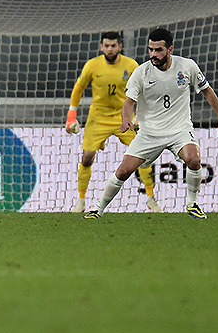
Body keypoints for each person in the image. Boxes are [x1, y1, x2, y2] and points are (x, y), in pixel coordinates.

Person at [84, 28, 218, 219]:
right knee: (124, 171)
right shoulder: (141, 72)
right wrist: (126, 119)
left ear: (170, 49)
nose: (153, 54)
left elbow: (207, 91)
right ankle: (98, 209)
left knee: (193, 160)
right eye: (151, 49)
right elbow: (128, 103)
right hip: (149, 133)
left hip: (179, 130)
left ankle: (192, 204)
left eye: (158, 50)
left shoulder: (187, 66)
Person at [66, 31, 161, 213]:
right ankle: (81, 201)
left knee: (142, 155)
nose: (110, 49)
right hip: (98, 117)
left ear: (120, 47)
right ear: (101, 47)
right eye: (107, 46)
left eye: (113, 45)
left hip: (124, 117)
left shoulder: (131, 65)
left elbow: (145, 89)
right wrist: (71, 115)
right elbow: (78, 88)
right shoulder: (92, 65)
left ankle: (151, 199)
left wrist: (140, 114)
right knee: (87, 158)